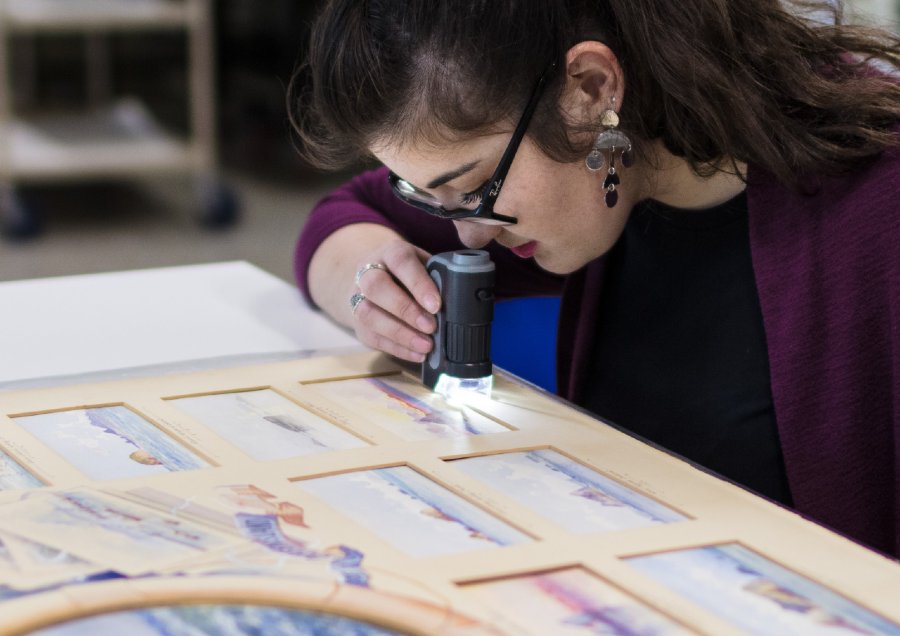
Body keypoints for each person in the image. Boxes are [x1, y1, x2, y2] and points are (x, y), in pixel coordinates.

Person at [287, 0, 900, 557]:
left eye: (471, 189)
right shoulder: (610, 168)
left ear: (591, 89)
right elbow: (339, 219)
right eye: (426, 195)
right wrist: (372, 281)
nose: (467, 234)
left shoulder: (876, 216)